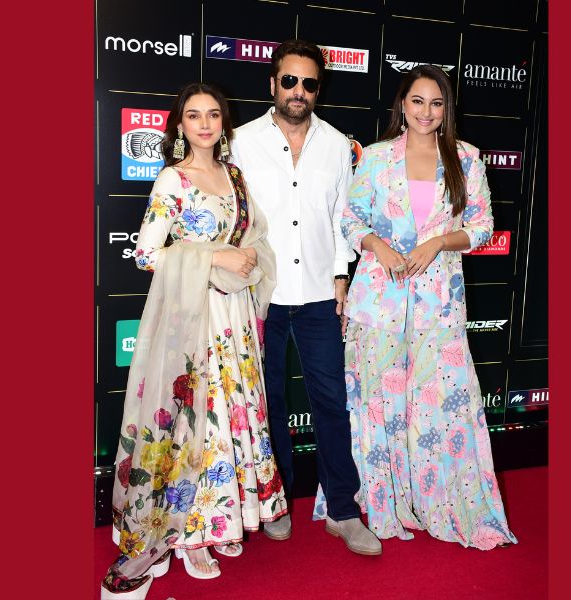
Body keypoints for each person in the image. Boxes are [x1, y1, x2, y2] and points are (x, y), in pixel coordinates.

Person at [316, 65, 517, 549]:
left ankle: (440, 499)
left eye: (437, 103)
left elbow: (483, 226)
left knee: (441, 403)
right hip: (378, 299)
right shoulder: (377, 157)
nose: (426, 112)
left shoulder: (466, 158)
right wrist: (377, 247)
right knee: (377, 403)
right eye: (417, 101)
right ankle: (380, 500)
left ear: (447, 109)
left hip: (438, 303)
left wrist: (440, 242)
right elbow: (350, 218)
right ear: (402, 105)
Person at [101, 82, 287, 600]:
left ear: (224, 123)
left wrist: (245, 256)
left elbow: (253, 238)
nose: (204, 124)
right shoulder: (173, 179)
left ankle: (219, 517)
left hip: (234, 316)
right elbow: (146, 255)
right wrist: (215, 257)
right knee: (194, 420)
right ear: (179, 125)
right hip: (192, 317)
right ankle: (186, 533)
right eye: (193, 115)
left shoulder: (234, 176)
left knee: (230, 414)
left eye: (213, 115)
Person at [230, 39, 382, 556]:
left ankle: (343, 510)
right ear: (272, 84)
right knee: (268, 403)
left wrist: (341, 277)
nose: (298, 90)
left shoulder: (338, 145)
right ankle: (276, 505)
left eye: (309, 83)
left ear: (318, 89)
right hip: (260, 295)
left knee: (332, 404)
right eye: (289, 80)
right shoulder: (240, 142)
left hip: (319, 295)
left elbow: (343, 219)